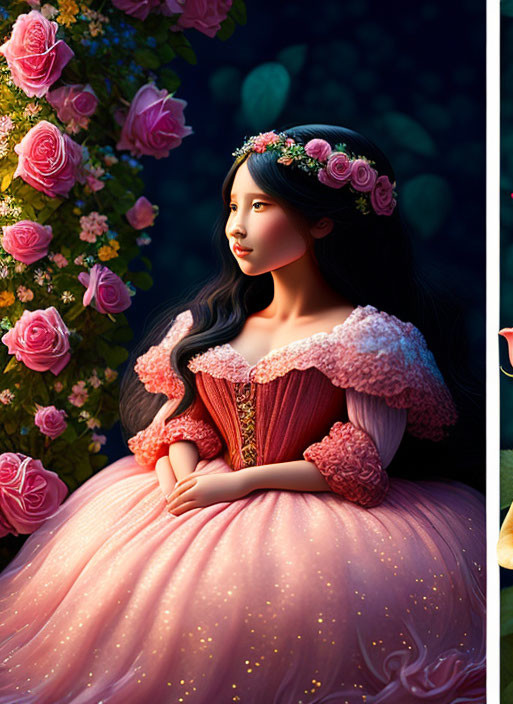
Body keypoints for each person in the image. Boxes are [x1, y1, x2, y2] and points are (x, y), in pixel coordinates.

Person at [0, 125, 486, 703]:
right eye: (233, 206)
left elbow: (361, 460)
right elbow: (184, 420)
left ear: (322, 220)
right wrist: (178, 470)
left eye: (260, 206)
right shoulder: (216, 324)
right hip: (189, 491)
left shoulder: (368, 338)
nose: (237, 226)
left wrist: (245, 481)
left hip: (324, 522)